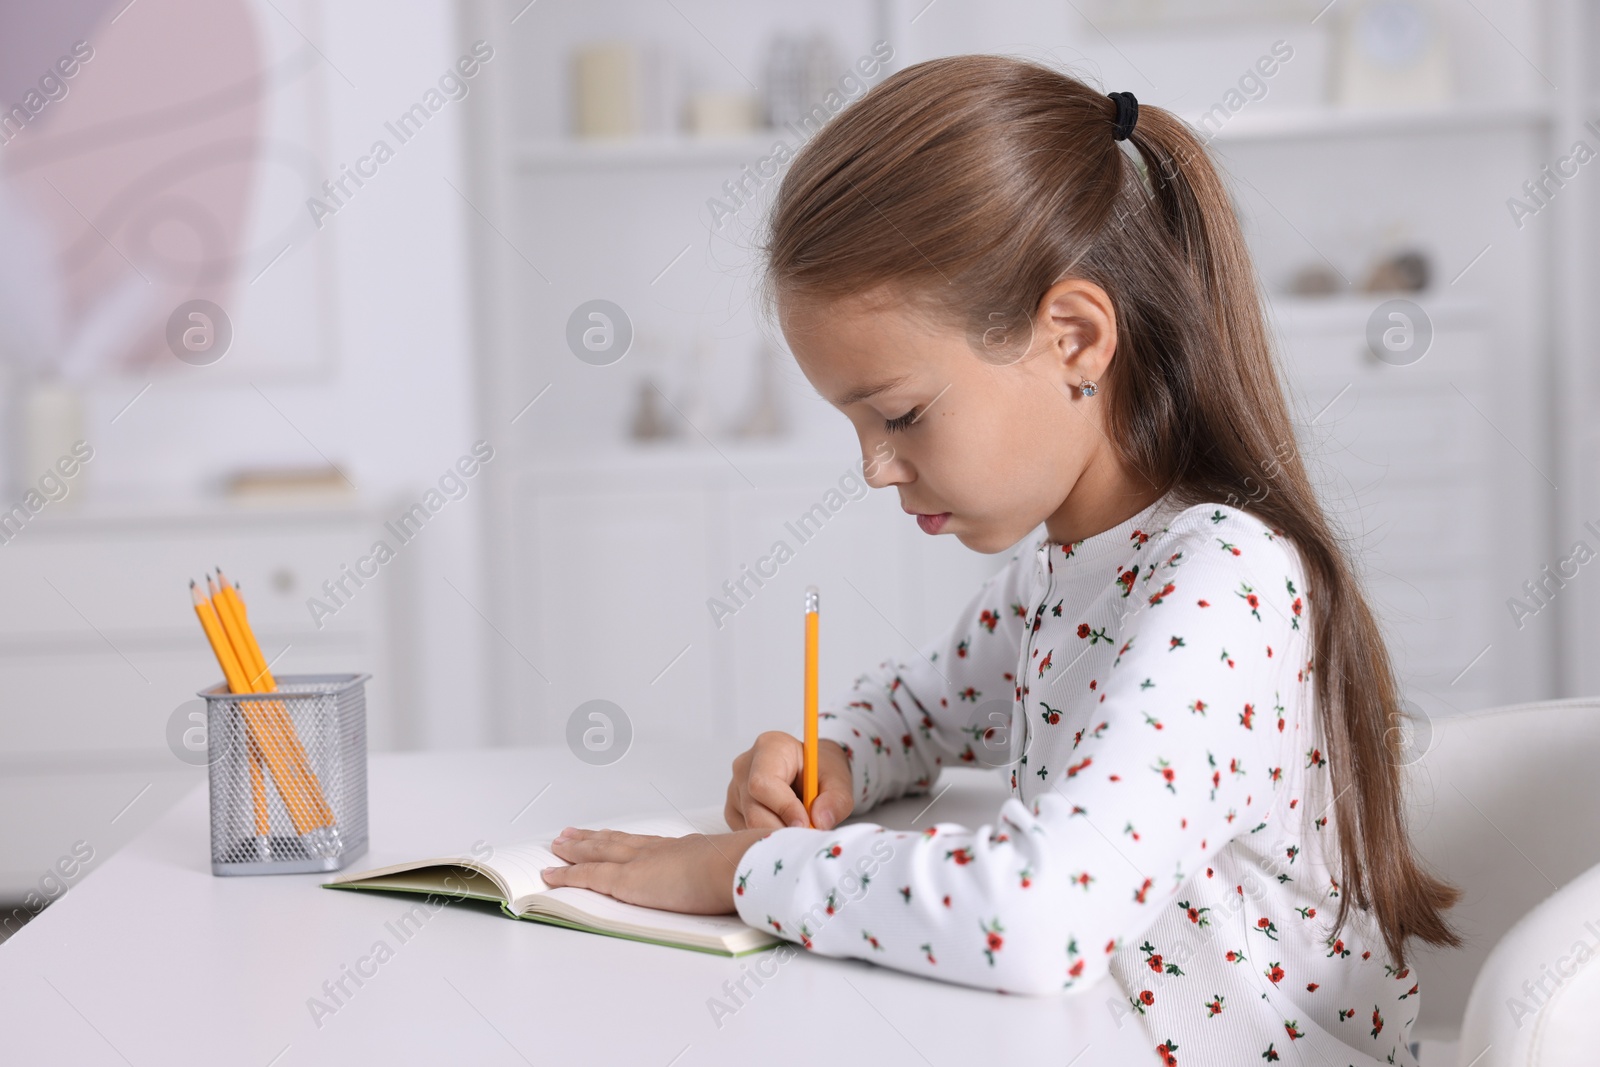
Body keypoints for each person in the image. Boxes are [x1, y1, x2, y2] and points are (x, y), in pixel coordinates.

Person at [540, 54, 1459, 1066]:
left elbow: (1041, 914)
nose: (876, 467)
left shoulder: (1223, 582)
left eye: (899, 414)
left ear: (1072, 337)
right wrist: (833, 754)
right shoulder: (1060, 574)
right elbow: (922, 709)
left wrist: (754, 868)